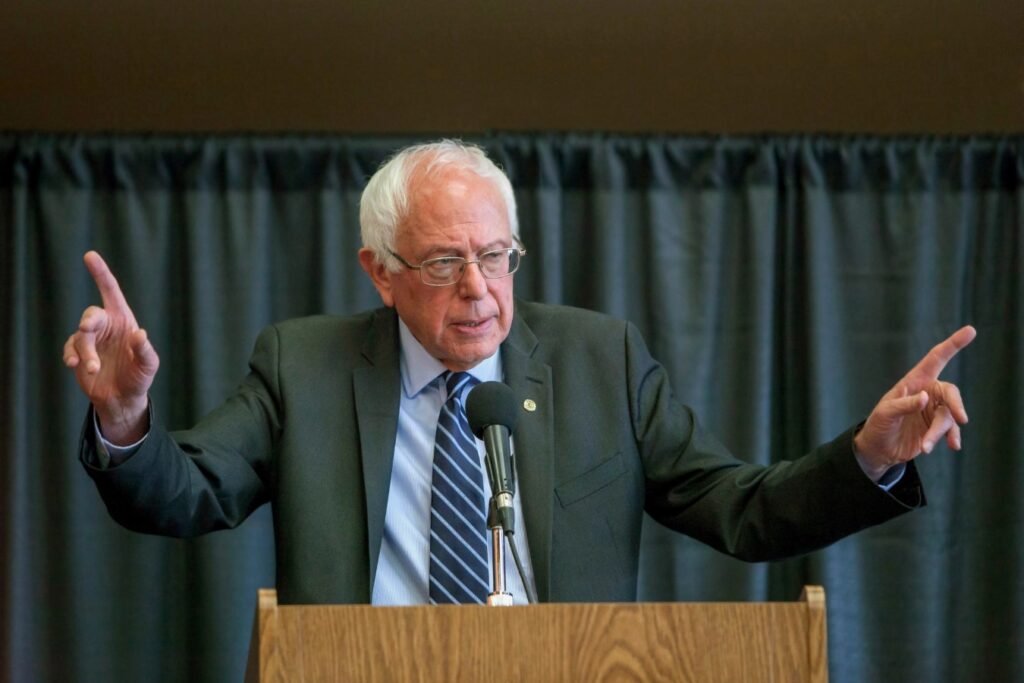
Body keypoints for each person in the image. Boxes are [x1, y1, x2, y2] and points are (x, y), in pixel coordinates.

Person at [64, 140, 976, 605]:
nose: (478, 289)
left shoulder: (601, 361)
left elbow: (743, 508)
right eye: (443, 262)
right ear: (380, 271)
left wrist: (868, 455)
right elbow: (185, 493)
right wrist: (126, 418)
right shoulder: (302, 367)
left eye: (496, 256)